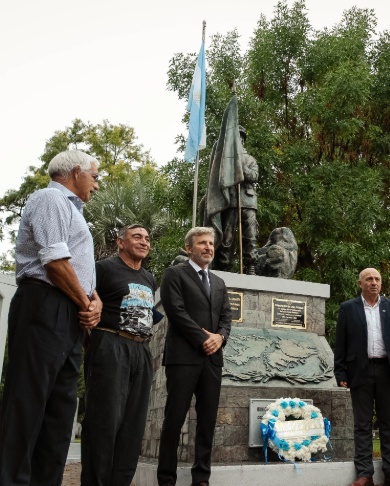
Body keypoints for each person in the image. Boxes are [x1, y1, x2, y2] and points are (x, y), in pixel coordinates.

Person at [0, 150, 103, 486]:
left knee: (61, 410)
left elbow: (80, 270)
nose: (97, 185)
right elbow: (54, 261)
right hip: (44, 304)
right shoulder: (50, 198)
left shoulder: (73, 211)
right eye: (95, 176)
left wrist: (93, 299)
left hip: (68, 310)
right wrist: (85, 302)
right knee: (28, 401)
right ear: (76, 172)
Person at [81, 224, 159, 486]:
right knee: (104, 423)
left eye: (147, 238)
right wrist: (90, 344)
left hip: (141, 350)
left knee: (132, 428)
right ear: (120, 242)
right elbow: (82, 300)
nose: (144, 242)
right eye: (137, 237)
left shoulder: (149, 278)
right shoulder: (103, 268)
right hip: (111, 345)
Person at [156, 226, 232, 486]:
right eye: (202, 243)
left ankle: (201, 478)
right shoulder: (174, 275)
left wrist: (220, 337)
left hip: (212, 361)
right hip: (183, 358)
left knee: (207, 421)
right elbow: (176, 312)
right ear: (189, 248)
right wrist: (205, 340)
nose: (208, 247)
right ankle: (166, 479)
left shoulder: (220, 283)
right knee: (174, 419)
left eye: (211, 243)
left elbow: (226, 318)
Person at [334, 268, 390, 486]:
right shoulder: (348, 308)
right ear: (360, 283)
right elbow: (341, 344)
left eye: (377, 279)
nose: (374, 282)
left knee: (388, 424)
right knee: (362, 424)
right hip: (359, 371)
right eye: (369, 279)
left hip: (387, 371)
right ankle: (364, 474)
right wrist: (340, 372)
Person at [201, 97, 259, 273]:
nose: (238, 142)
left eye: (240, 138)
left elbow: (254, 176)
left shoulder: (250, 159)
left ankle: (251, 266)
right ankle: (224, 267)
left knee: (250, 237)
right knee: (227, 239)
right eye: (235, 139)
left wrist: (241, 169)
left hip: (248, 202)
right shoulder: (225, 161)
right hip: (230, 201)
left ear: (243, 140)